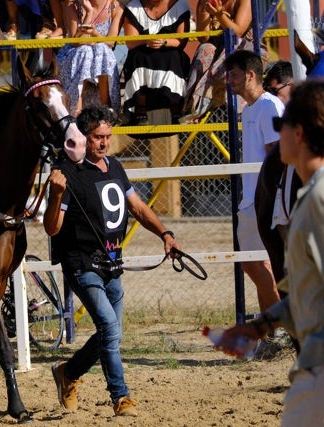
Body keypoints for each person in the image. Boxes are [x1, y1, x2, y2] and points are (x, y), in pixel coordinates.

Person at [44, 106, 181, 417]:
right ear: (83, 138)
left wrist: (165, 234)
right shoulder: (68, 175)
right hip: (82, 265)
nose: (103, 143)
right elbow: (52, 228)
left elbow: (139, 208)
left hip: (112, 264)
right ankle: (121, 397)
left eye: (107, 137)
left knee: (111, 332)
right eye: (97, 138)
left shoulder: (116, 168)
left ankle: (69, 372)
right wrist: (54, 196)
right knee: (109, 327)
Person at [215, 79, 324, 427]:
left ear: (299, 134)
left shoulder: (319, 201)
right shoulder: (309, 196)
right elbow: (309, 289)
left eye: (283, 127)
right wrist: (259, 326)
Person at [225, 50, 285, 357]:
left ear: (251, 74)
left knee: (261, 266)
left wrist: (270, 197)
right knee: (255, 265)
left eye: (234, 74)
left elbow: (278, 154)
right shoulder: (248, 109)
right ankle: (272, 335)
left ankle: (284, 328)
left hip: (266, 200)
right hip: (251, 200)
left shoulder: (268, 105)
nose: (229, 80)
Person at [180, 0, 254, 123]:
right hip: (217, 50)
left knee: (229, 51)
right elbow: (204, 38)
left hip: (243, 48)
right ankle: (192, 104)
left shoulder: (244, 1)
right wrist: (204, 9)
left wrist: (219, 15)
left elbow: (237, 33)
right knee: (205, 49)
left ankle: (202, 102)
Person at [121, 0, 191, 125]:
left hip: (170, 51)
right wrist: (146, 40)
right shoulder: (134, 6)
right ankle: (140, 109)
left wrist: (164, 41)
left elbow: (182, 41)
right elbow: (130, 42)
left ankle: (176, 108)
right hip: (143, 51)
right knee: (137, 57)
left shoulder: (180, 5)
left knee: (173, 56)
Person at [57, 0, 124, 114]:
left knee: (101, 48)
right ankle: (76, 108)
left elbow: (111, 42)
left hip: (99, 56)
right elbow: (76, 42)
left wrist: (95, 34)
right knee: (85, 51)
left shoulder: (116, 7)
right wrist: (89, 13)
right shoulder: (72, 6)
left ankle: (105, 106)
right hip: (74, 56)